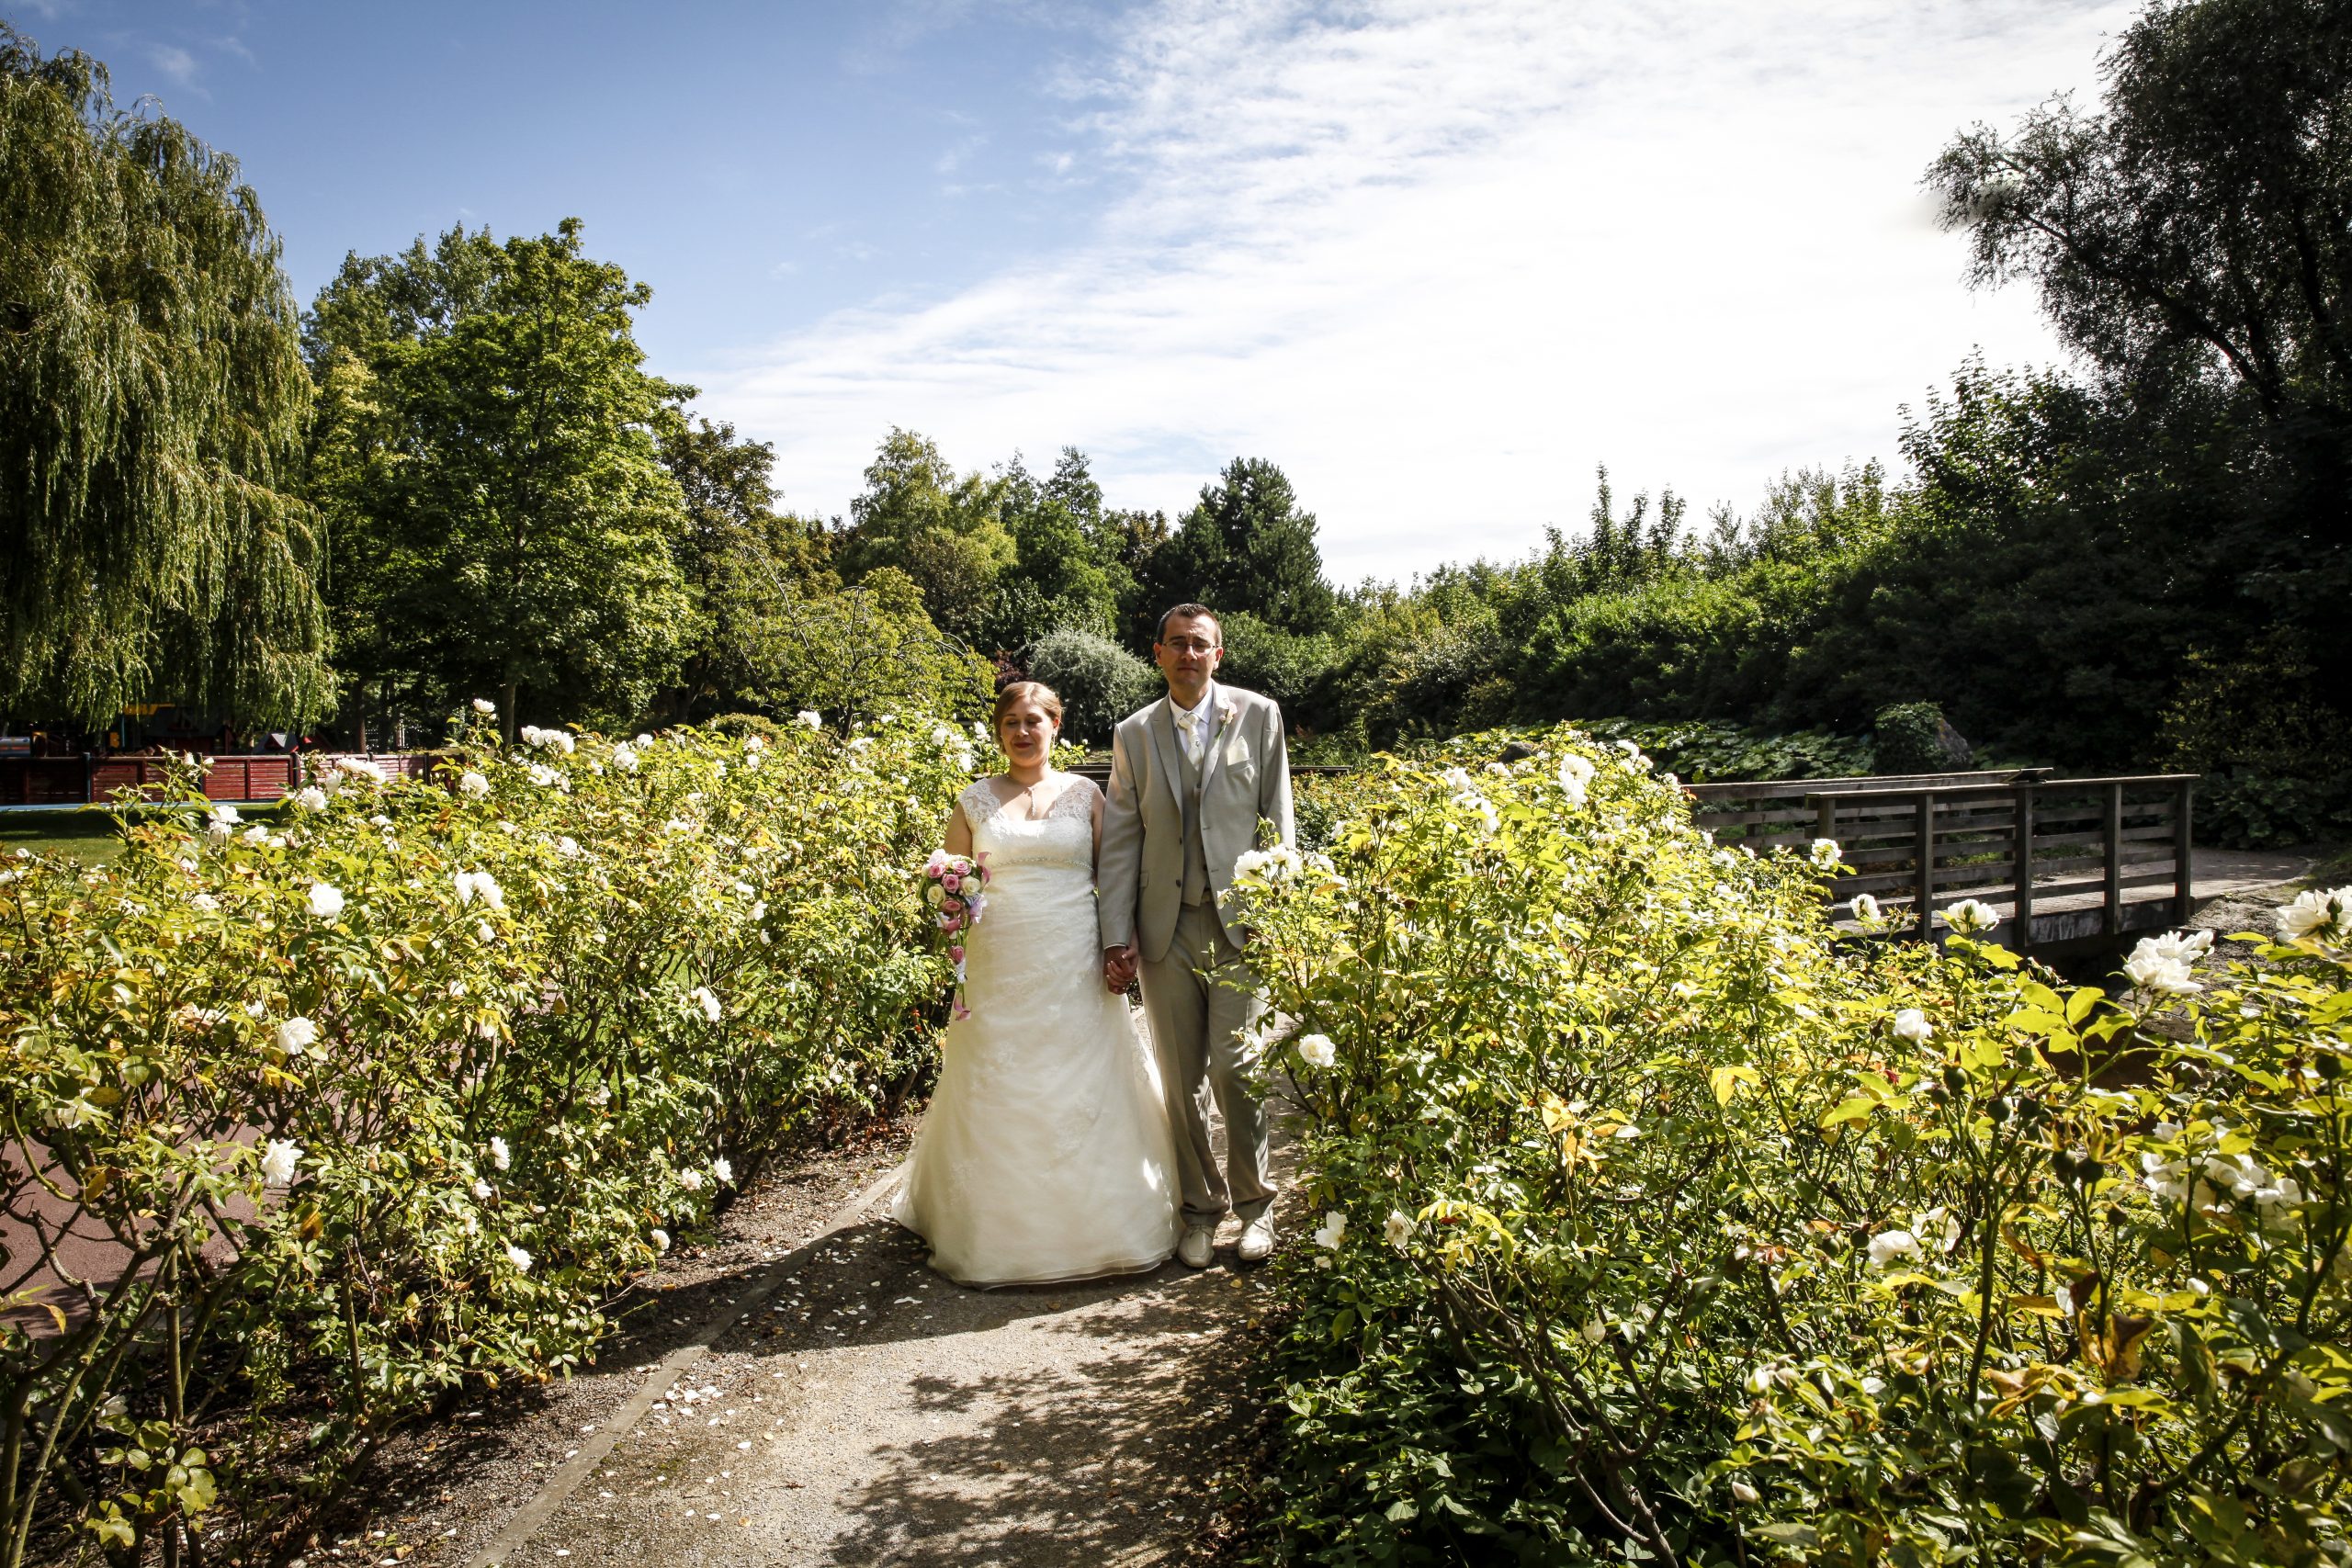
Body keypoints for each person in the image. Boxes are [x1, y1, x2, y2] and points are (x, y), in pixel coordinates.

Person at [891, 682, 1180, 1285]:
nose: (1022, 732)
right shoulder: (973, 800)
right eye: (1011, 723)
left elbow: (1115, 876)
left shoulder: (1085, 794)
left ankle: (1100, 1220)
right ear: (999, 731)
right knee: (1001, 1081)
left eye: (1033, 721)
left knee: (1082, 1080)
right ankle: (991, 1225)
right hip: (999, 962)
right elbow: (951, 879)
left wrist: (1118, 943)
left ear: (1055, 725)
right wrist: (950, 905)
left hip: (1073, 956)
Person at [1097, 604, 1294, 1268]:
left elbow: (1278, 820)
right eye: (1176, 644)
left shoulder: (1259, 715)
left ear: (1219, 652)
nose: (1188, 654)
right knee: (1181, 1081)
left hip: (1243, 921)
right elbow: (1122, 837)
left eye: (1199, 644)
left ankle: (1257, 1207)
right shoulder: (1133, 732)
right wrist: (1114, 932)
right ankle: (1198, 1210)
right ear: (1157, 654)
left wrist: (1280, 914)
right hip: (1165, 924)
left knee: (1238, 1070)